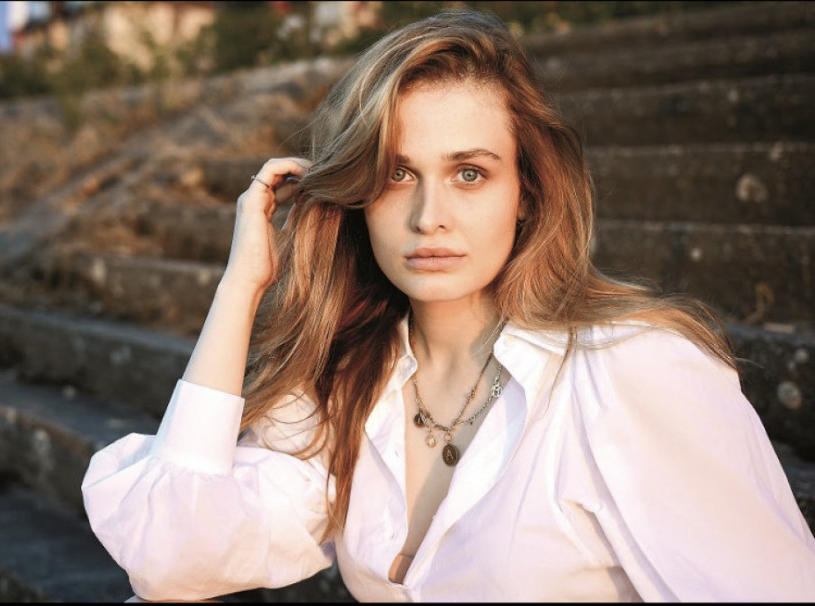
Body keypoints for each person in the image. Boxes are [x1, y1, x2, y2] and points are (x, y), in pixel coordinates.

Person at [82, 9, 815, 602]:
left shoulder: (634, 372)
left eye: (469, 174)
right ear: (358, 194)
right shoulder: (347, 383)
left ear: (526, 193)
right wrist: (239, 287)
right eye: (397, 174)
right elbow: (170, 562)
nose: (429, 216)